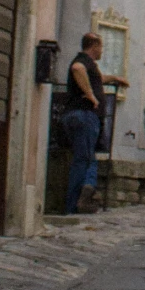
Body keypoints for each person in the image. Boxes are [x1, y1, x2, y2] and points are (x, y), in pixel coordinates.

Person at [63, 34, 106, 215]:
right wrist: (90, 95)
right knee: (83, 160)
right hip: (84, 115)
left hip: (79, 115)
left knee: (89, 158)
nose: (102, 50)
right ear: (94, 45)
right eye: (101, 46)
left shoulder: (90, 66)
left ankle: (87, 192)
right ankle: (73, 205)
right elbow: (77, 69)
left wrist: (115, 80)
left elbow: (97, 78)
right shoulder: (83, 60)